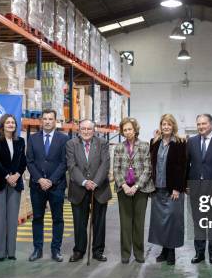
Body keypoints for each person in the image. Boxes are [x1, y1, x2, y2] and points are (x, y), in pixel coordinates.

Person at [66, 119, 112, 262]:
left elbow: (105, 164)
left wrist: (95, 182)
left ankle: (98, 251)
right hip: (78, 188)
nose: (86, 132)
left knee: (99, 222)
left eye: (89, 129)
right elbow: (71, 166)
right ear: (79, 130)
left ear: (94, 130)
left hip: (99, 189)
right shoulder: (71, 144)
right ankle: (79, 250)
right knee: (79, 222)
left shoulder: (102, 143)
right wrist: (85, 182)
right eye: (83, 129)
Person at [26, 109, 68, 262]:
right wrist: (39, 179)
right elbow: (29, 161)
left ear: (55, 121)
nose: (48, 121)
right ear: (41, 121)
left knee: (58, 218)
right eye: (45, 119)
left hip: (56, 185)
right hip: (37, 186)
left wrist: (51, 180)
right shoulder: (33, 138)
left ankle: (56, 250)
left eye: (50, 119)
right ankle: (37, 249)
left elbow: (65, 162)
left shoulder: (63, 139)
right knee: (38, 218)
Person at [113, 117, 155, 264]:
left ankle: (138, 253)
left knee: (139, 223)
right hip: (123, 189)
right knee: (125, 223)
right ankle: (125, 254)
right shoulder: (118, 147)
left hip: (140, 189)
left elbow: (148, 168)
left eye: (130, 129)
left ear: (135, 130)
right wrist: (124, 185)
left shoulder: (144, 146)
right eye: (124, 130)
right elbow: (116, 169)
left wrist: (136, 186)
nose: (127, 132)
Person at [187, 113, 212, 264]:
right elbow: (187, 164)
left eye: (204, 124)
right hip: (196, 189)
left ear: (211, 124)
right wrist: (186, 184)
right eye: (198, 124)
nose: (201, 127)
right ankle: (199, 253)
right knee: (198, 222)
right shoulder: (191, 142)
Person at [148, 114, 187, 265]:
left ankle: (171, 251)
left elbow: (182, 167)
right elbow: (151, 163)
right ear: (160, 126)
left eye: (169, 124)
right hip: (158, 188)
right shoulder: (155, 142)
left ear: (173, 126)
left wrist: (177, 188)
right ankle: (164, 251)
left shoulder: (180, 143)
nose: (166, 127)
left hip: (173, 190)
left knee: (173, 220)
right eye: (164, 124)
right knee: (160, 222)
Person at [0, 114, 27, 261]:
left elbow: (23, 161)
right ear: (2, 125)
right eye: (8, 122)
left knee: (11, 219)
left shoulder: (20, 141)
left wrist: (16, 175)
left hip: (15, 184)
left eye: (13, 122)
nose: (10, 124)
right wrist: (7, 177)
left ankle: (11, 252)